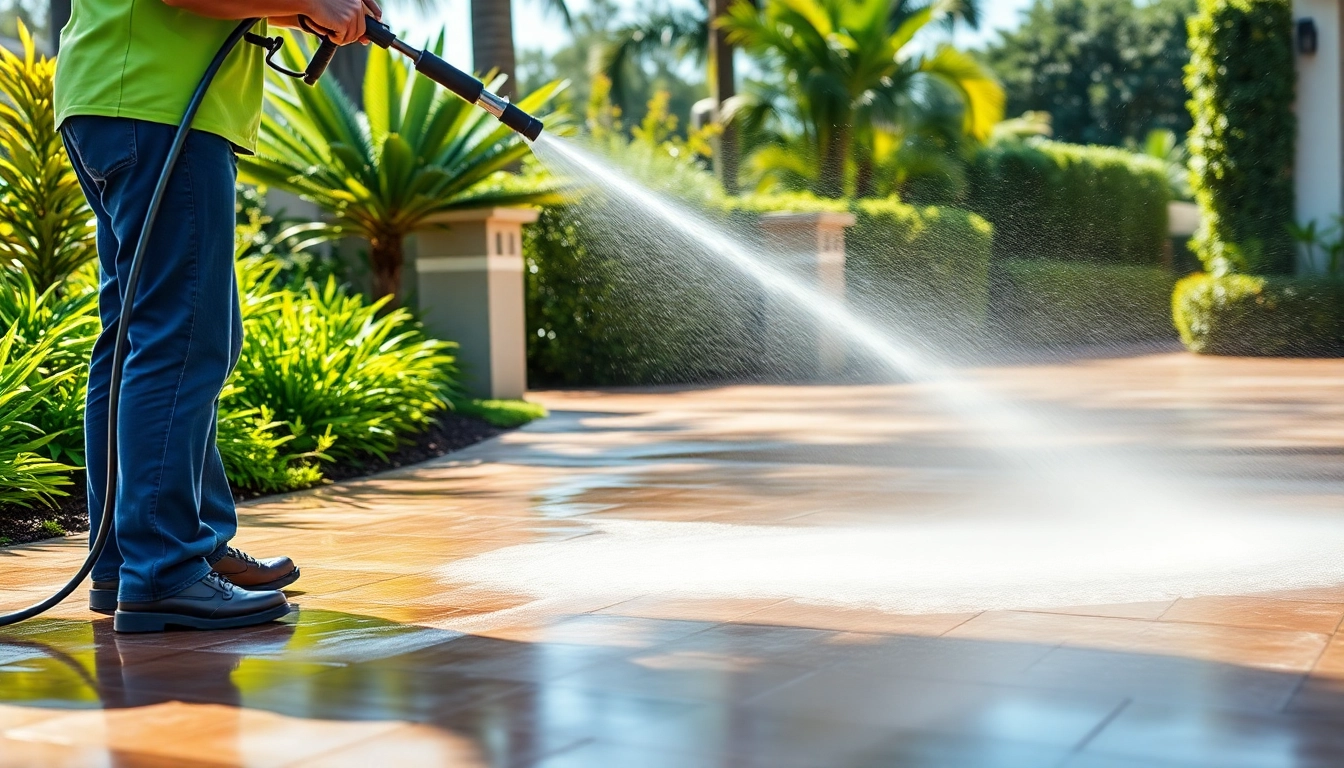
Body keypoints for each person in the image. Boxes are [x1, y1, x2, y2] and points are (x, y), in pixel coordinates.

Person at [53, 0, 380, 632]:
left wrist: (302, 11)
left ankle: (134, 559)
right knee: (180, 339)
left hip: (124, 102)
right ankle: (165, 568)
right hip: (158, 109)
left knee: (144, 338)